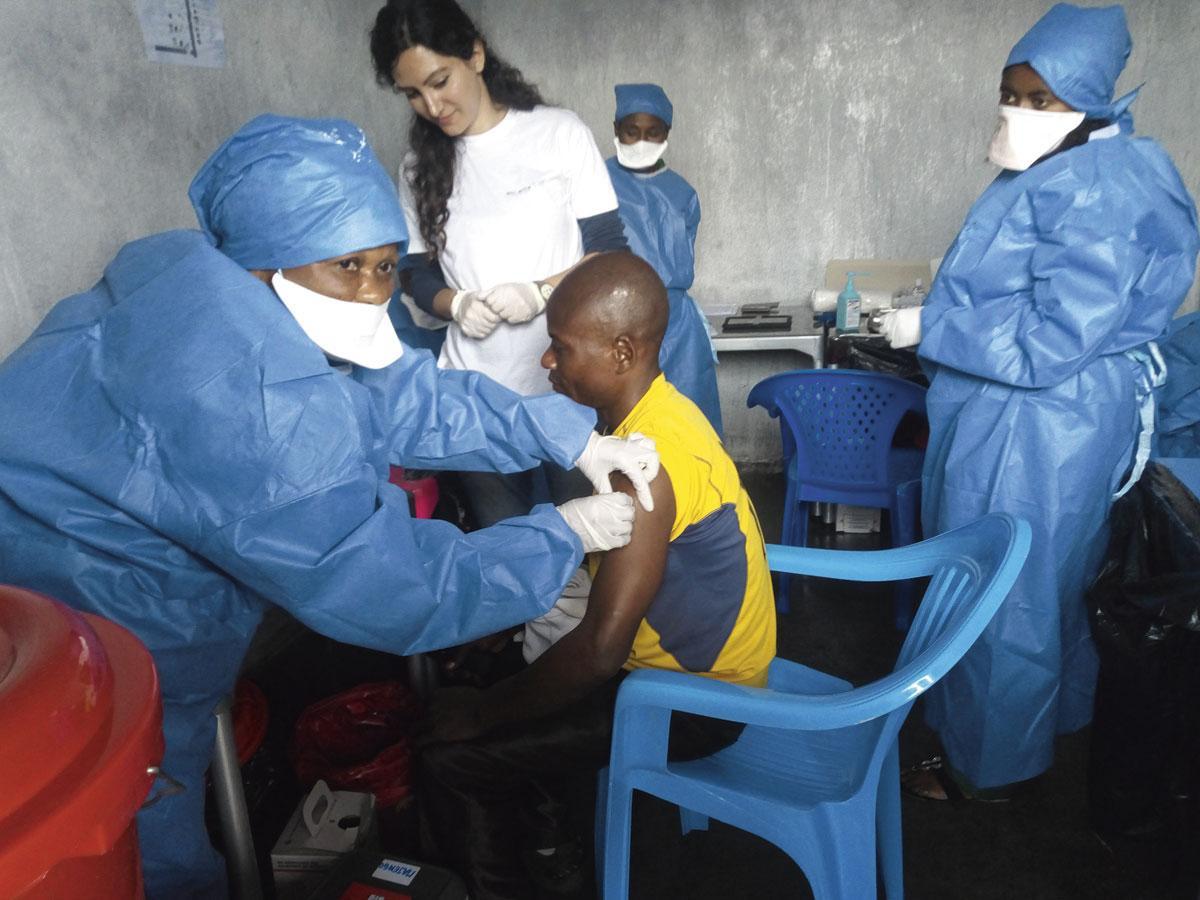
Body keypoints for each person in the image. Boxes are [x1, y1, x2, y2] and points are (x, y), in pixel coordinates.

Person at [0, 114, 662, 899]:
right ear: (265, 264)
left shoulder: (190, 270)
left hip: (52, 531)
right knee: (117, 836)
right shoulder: (254, 401)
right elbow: (386, 580)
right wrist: (560, 534)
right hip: (82, 611)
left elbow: (402, 395)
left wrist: (566, 437)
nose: (374, 293)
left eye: (386, 266)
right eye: (350, 266)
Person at [879, 4, 1200, 801]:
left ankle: (983, 769)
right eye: (1010, 94)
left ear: (1090, 96)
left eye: (1040, 99)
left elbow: (1051, 343)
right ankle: (1054, 725)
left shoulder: (1094, 188)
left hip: (1034, 422)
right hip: (1047, 415)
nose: (1018, 113)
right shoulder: (1084, 164)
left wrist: (936, 322)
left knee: (1004, 595)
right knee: (1051, 580)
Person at [414, 252, 777, 900]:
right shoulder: (663, 413)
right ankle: (556, 841)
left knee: (451, 757)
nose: (547, 362)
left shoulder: (645, 467)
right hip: (691, 665)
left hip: (692, 702)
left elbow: (602, 652)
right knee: (496, 673)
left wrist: (482, 716)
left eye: (560, 347)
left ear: (620, 351)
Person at [370, 0, 630, 529]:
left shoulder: (557, 134)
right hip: (474, 394)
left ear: (476, 56)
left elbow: (611, 254)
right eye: (413, 95)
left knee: (587, 535)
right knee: (502, 542)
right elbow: (416, 273)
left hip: (566, 384)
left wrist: (542, 292)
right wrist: (456, 303)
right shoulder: (420, 166)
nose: (432, 105)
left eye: (441, 81)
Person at [606, 82, 723, 434]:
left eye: (652, 133)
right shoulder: (597, 183)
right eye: (631, 132)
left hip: (677, 325)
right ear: (616, 130)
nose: (641, 141)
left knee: (689, 426)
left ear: (666, 134)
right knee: (625, 428)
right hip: (617, 319)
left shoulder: (682, 193)